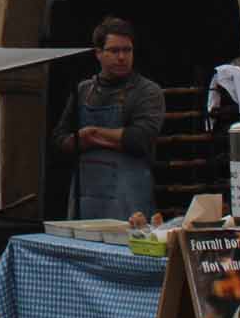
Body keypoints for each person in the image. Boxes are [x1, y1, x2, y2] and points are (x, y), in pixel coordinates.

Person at [52, 16, 166, 222]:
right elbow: (60, 139)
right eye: (114, 50)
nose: (122, 57)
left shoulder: (147, 91)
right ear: (98, 53)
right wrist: (84, 139)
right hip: (85, 201)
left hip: (129, 201)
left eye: (127, 50)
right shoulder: (83, 90)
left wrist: (90, 136)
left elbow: (140, 138)